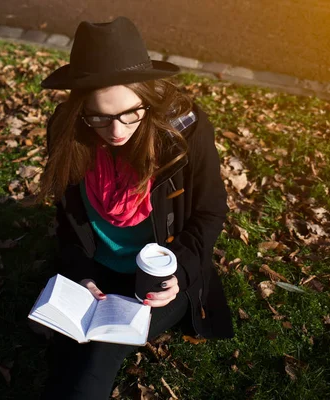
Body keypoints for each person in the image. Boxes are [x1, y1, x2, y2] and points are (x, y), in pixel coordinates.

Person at [35, 16, 234, 400]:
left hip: (157, 280)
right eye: (99, 116)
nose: (117, 130)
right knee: (60, 348)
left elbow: (210, 212)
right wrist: (82, 275)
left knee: (97, 356)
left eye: (131, 112)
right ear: (80, 110)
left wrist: (179, 273)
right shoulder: (67, 132)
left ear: (149, 96)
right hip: (97, 274)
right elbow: (67, 220)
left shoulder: (184, 133)